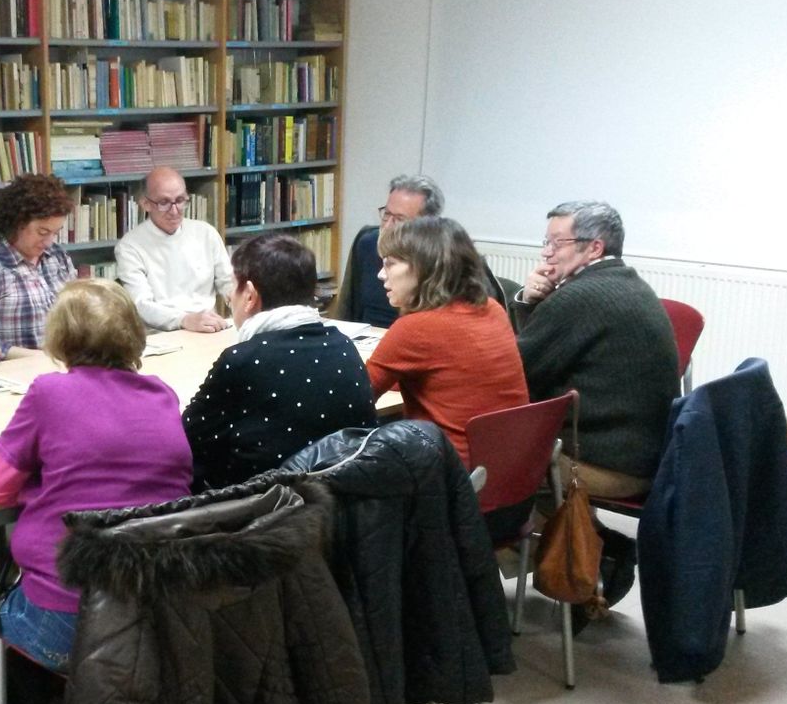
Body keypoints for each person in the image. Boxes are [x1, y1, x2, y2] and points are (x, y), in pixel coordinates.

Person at [0, 278, 193, 704]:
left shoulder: (49, 391)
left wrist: (45, 483)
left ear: (61, 339)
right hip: (156, 604)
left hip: (71, 617)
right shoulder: (162, 393)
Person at [513, 200, 679, 613]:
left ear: (594, 248)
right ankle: (593, 547)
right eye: (545, 242)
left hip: (610, 466)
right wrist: (535, 303)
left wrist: (530, 306)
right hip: (645, 455)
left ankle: (591, 554)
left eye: (557, 243)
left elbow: (516, 371)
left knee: (487, 470)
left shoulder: (580, 298)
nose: (546, 254)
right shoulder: (624, 283)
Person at [183, 233, 376, 491]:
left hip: (264, 512)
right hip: (341, 506)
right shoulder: (344, 346)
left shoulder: (242, 360)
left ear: (250, 296)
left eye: (233, 286)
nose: (230, 298)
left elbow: (186, 440)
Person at [365, 215, 528, 465]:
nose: (380, 274)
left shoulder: (415, 328)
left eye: (390, 264)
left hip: (452, 482)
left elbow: (356, 399)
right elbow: (452, 378)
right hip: (509, 474)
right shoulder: (492, 309)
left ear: (425, 267)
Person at [114, 166, 234, 332]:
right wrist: (184, 319)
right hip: (160, 335)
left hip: (207, 327)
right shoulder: (130, 246)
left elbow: (228, 282)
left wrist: (238, 301)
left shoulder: (205, 233)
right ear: (145, 204)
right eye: (164, 203)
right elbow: (141, 305)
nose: (174, 211)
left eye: (180, 200)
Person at [0, 174, 75, 354]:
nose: (48, 241)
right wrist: (32, 356)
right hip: (18, 368)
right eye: (42, 232)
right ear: (17, 222)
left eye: (55, 233)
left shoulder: (57, 255)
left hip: (64, 363)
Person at [331, 174, 442, 327]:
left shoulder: (444, 257)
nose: (388, 226)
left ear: (427, 225)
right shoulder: (367, 243)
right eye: (387, 214)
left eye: (399, 219)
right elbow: (348, 309)